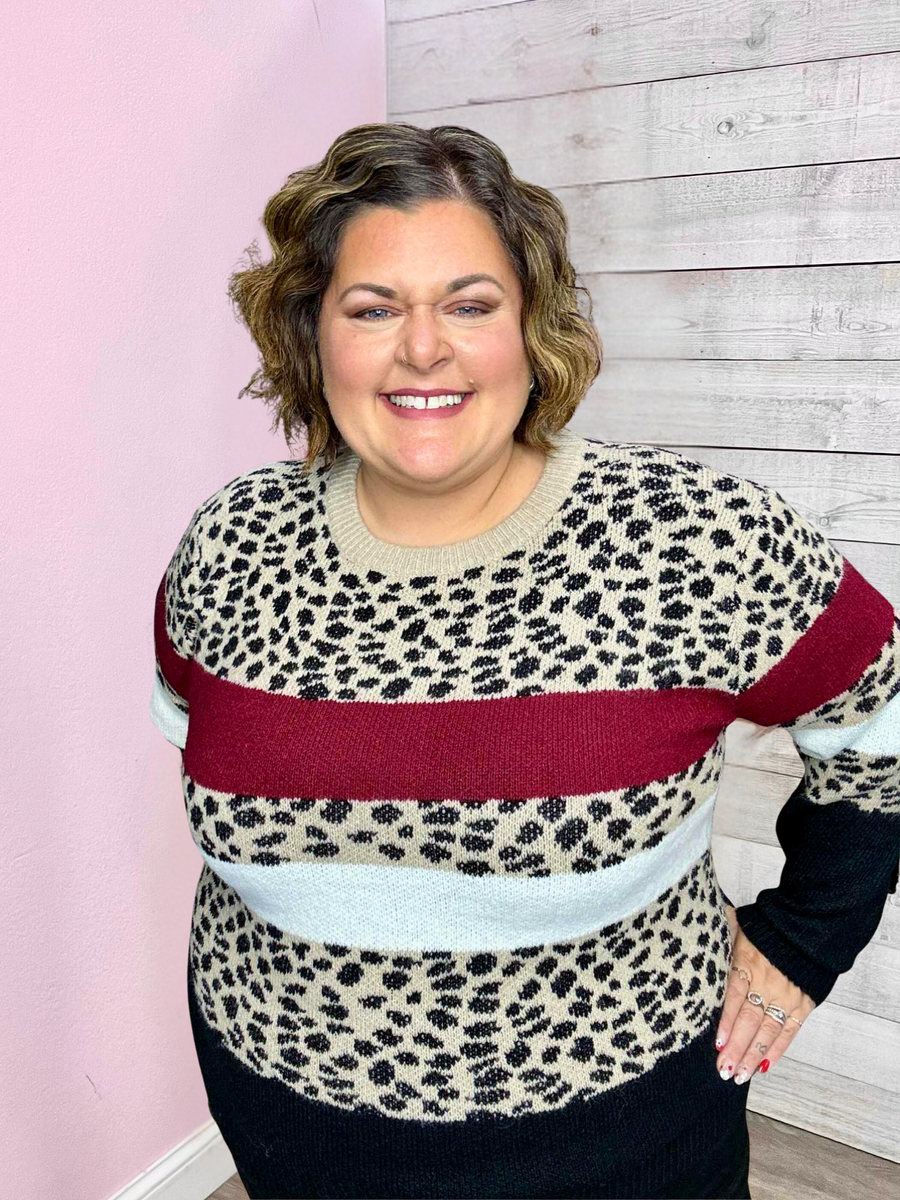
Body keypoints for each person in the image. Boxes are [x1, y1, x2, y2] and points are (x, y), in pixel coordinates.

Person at [150, 123, 900, 1200]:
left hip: (624, 1148)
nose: (423, 349)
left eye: (469, 305)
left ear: (531, 326)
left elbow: (881, 726)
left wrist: (805, 942)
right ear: (312, 334)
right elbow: (207, 751)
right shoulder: (230, 544)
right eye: (373, 308)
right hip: (285, 1128)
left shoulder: (696, 539)